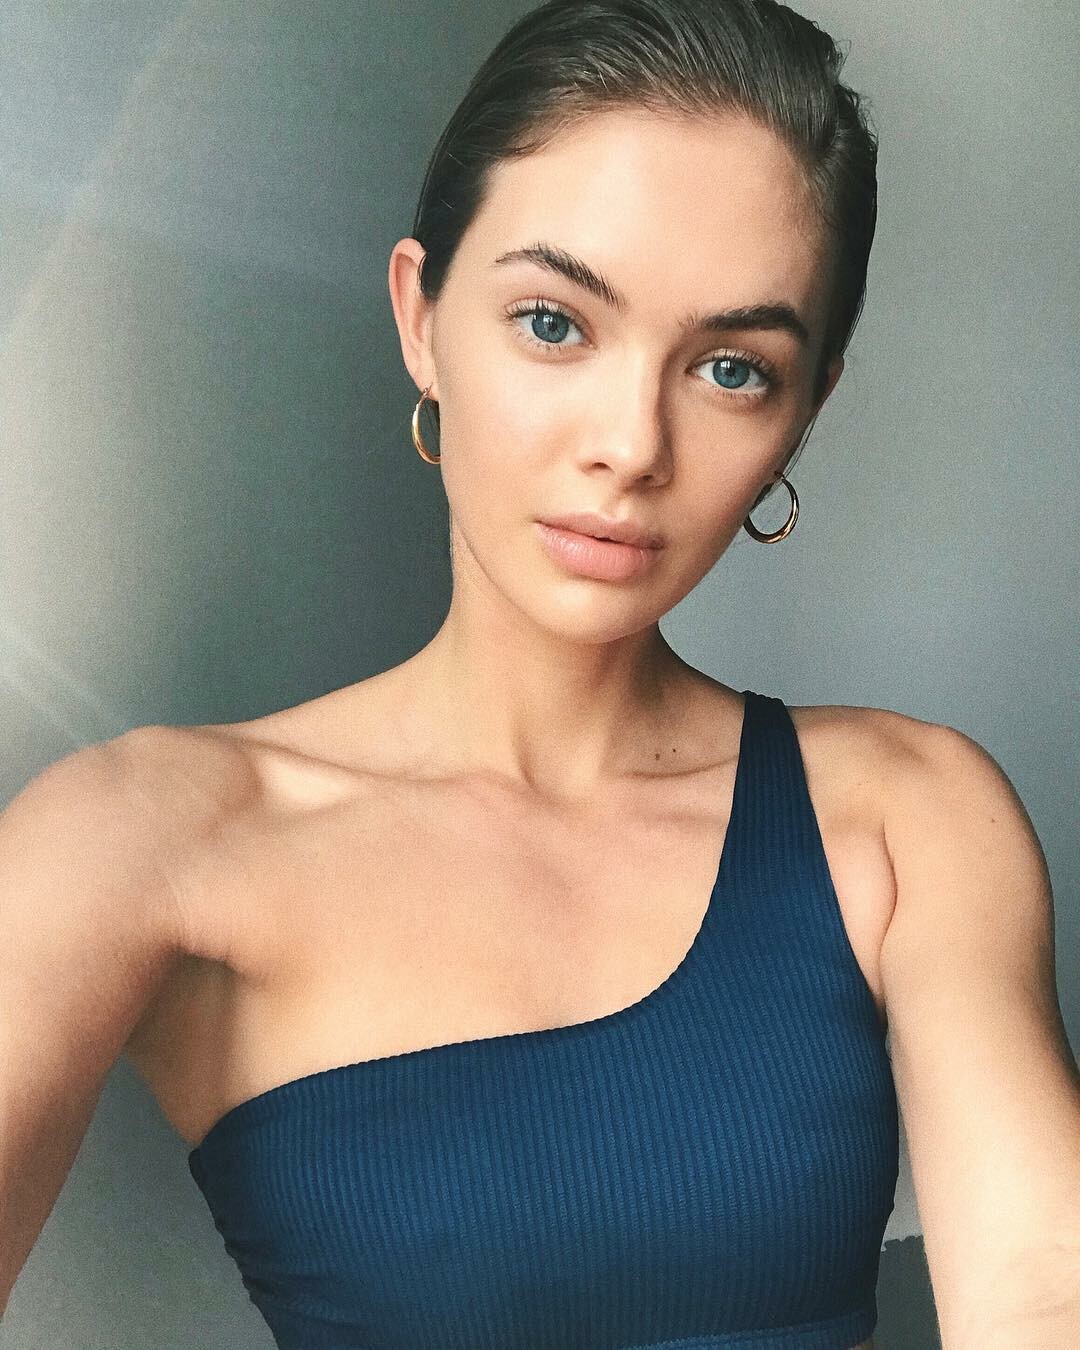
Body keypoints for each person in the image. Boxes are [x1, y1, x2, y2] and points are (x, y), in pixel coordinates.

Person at [4, 1, 1077, 1347]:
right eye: (555, 323)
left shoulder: (906, 820)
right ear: (421, 315)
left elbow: (1043, 1294)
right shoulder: (145, 836)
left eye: (732, 368)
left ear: (808, 407)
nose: (631, 445)